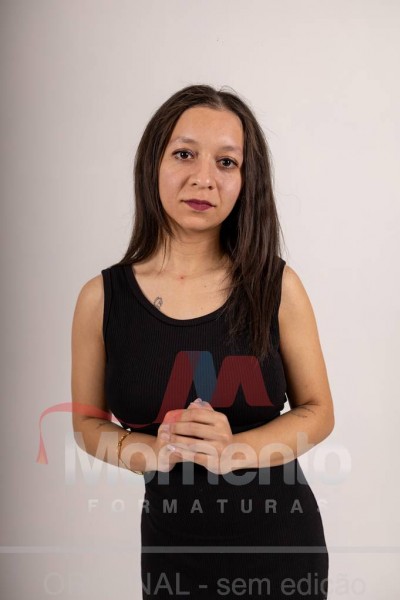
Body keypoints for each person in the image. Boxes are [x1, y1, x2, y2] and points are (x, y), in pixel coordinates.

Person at [71, 84, 335, 599]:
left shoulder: (276, 286)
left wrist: (233, 451)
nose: (203, 179)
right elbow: (86, 425)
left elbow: (319, 412)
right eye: (184, 154)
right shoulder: (100, 300)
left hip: (282, 554)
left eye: (226, 162)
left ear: (246, 181)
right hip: (172, 559)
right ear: (153, 162)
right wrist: (153, 451)